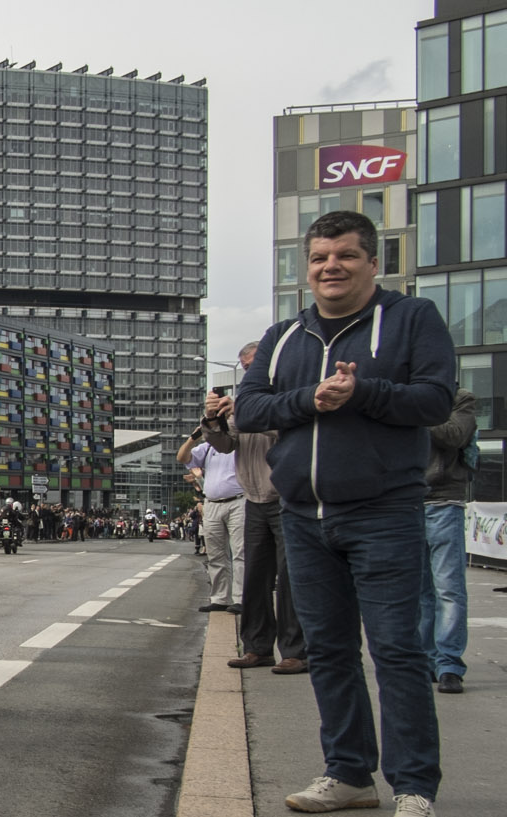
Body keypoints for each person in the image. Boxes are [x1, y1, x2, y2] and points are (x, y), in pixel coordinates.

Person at [234, 210, 453, 816]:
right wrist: (312, 398)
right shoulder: (283, 336)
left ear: (373, 263)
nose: (331, 266)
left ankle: (413, 787)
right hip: (303, 515)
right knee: (328, 651)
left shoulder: (411, 319)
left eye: (346, 256)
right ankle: (350, 773)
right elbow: (248, 410)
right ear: (307, 269)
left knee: (395, 650)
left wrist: (363, 393)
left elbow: (435, 401)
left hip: (384, 510)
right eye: (320, 258)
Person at [207, 342, 307, 675]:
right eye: (245, 366)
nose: (250, 371)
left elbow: (291, 432)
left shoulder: (286, 393)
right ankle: (257, 647)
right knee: (254, 577)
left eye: (252, 364)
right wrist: (213, 420)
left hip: (284, 499)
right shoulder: (245, 402)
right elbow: (224, 444)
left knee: (289, 578)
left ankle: (295, 650)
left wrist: (243, 413)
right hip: (253, 498)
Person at [420, 388, 476, 694]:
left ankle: (449, 664)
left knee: (448, 589)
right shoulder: (402, 394)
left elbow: (454, 435)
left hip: (444, 502)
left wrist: (416, 411)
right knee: (419, 592)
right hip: (407, 501)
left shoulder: (460, 398)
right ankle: (426, 661)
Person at [179, 424, 244, 613]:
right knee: (216, 554)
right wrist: (194, 437)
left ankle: (240, 598)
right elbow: (182, 457)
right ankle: (220, 598)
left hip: (238, 500)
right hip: (212, 502)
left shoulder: (240, 440)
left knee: (240, 551)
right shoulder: (208, 447)